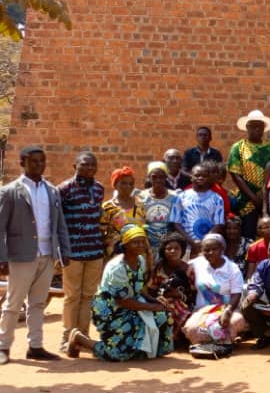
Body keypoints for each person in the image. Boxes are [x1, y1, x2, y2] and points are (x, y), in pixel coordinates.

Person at [0, 147, 72, 364]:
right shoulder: (10, 191)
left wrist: (64, 251)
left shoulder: (51, 191)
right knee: (13, 303)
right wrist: (2, 257)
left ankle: (35, 346)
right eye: (34, 162)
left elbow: (59, 224)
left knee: (38, 303)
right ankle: (3, 346)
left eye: (42, 161)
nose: (39, 165)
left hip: (47, 254)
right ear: (22, 163)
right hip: (21, 255)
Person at [65, 225, 174, 361]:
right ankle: (81, 339)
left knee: (163, 314)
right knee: (117, 355)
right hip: (111, 311)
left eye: (142, 241)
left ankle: (148, 351)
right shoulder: (117, 268)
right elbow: (122, 301)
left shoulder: (140, 261)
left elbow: (138, 288)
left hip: (131, 305)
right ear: (125, 245)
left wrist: (155, 301)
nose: (140, 245)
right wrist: (151, 307)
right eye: (135, 242)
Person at [56, 152, 105, 353]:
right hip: (73, 252)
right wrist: (61, 251)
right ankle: (67, 337)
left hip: (94, 251)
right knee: (71, 296)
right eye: (84, 164)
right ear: (74, 165)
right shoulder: (64, 189)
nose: (89, 168)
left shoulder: (99, 189)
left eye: (93, 165)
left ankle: (82, 337)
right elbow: (58, 222)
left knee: (88, 296)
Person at [181, 233, 246, 356]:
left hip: (227, 308)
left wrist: (228, 311)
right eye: (206, 250)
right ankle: (217, 346)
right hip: (203, 310)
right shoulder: (197, 263)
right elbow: (179, 264)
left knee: (234, 322)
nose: (210, 252)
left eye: (214, 249)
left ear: (222, 249)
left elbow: (236, 294)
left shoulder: (232, 268)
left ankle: (219, 345)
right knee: (191, 329)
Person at [228, 110, 270, 238]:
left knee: (268, 232)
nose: (256, 129)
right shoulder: (238, 147)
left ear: (263, 129)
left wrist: (264, 198)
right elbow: (235, 175)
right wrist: (254, 198)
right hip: (246, 199)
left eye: (259, 126)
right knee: (248, 232)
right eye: (252, 126)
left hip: (268, 198)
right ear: (247, 128)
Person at [146, 233, 192, 346]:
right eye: (169, 248)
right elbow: (150, 289)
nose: (173, 251)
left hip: (183, 303)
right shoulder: (158, 268)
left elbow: (193, 294)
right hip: (160, 301)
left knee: (177, 309)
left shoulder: (187, 270)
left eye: (176, 248)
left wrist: (179, 295)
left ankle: (174, 338)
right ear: (163, 251)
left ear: (182, 250)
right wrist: (159, 297)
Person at [100, 166, 145, 258]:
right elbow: (101, 233)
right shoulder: (108, 207)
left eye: (131, 184)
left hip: (138, 254)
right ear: (115, 184)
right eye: (124, 183)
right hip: (115, 254)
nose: (128, 186)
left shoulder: (140, 205)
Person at [139, 162, 177, 252]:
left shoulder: (174, 197)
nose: (158, 180)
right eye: (154, 177)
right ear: (149, 178)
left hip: (168, 246)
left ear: (166, 178)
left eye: (161, 177)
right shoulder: (141, 197)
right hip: (147, 245)